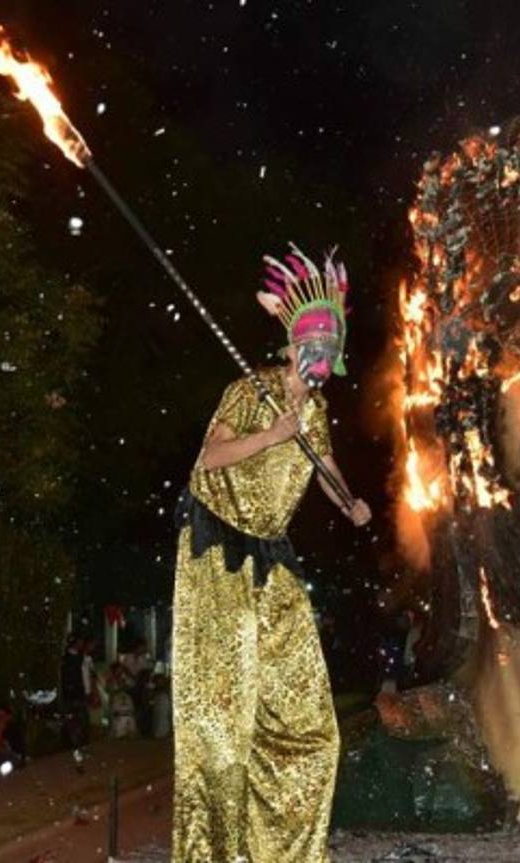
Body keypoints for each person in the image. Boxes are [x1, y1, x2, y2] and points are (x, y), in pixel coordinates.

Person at [171, 245, 371, 863]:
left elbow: (327, 469)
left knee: (312, 730)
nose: (320, 358)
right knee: (221, 729)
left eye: (329, 349)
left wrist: (349, 503)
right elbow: (208, 459)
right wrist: (272, 435)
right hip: (217, 554)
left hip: (273, 561)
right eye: (312, 346)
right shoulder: (251, 390)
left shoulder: (319, 411)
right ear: (291, 347)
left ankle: (284, 854)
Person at [59, 635, 90, 748]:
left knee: (81, 716)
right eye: (80, 641)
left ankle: (79, 740)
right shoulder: (68, 659)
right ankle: (71, 741)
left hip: (79, 690)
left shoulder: (81, 657)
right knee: (74, 716)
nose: (82, 644)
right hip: (72, 692)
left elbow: (85, 676)